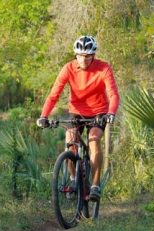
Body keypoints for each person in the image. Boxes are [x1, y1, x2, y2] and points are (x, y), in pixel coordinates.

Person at [36, 35, 120, 201]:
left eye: (87, 56)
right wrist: (44, 116)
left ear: (93, 55)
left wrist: (111, 113)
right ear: (75, 54)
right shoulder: (68, 68)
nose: (83, 59)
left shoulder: (103, 68)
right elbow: (54, 95)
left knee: (94, 139)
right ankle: (74, 180)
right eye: (80, 55)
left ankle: (95, 185)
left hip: (98, 111)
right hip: (77, 111)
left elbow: (113, 94)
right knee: (70, 140)